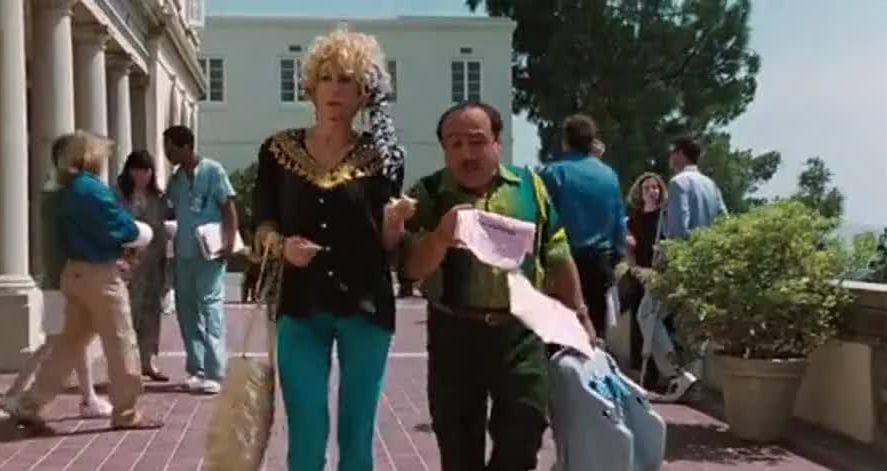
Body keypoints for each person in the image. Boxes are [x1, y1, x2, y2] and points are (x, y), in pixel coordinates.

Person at [251, 29, 412, 471]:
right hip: (300, 305)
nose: (335, 89)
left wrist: (394, 224)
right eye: (326, 78)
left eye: (347, 80)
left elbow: (387, 246)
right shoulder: (277, 150)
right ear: (310, 86)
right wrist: (281, 247)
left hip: (366, 306)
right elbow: (261, 222)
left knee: (357, 436)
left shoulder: (384, 155)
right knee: (307, 433)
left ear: (364, 93)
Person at [401, 101, 593, 471]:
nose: (466, 153)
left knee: (525, 430)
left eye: (476, 141)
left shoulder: (530, 187)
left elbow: (557, 252)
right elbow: (410, 267)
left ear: (497, 143)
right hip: (453, 333)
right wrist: (440, 238)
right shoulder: (428, 194)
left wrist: (580, 315)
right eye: (455, 144)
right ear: (444, 149)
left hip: (521, 332)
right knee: (458, 446)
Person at [0, 130, 162, 431]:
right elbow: (124, 227)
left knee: (67, 346)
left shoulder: (63, 190)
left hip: (72, 273)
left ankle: (30, 403)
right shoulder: (92, 189)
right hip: (100, 274)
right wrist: (136, 237)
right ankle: (126, 412)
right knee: (121, 342)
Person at [1, 134, 112, 419]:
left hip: (62, 278)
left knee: (75, 338)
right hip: (61, 279)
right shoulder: (62, 196)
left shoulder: (55, 194)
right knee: (56, 340)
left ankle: (88, 397)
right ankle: (14, 394)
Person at [164, 125, 238, 395]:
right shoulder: (176, 180)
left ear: (186, 147)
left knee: (210, 307)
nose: (167, 154)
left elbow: (228, 207)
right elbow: (168, 207)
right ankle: (195, 369)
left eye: (171, 148)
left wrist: (229, 241)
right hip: (184, 252)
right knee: (186, 311)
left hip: (209, 252)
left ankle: (215, 370)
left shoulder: (213, 171)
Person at [538, 114, 627, 339]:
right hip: (600, 263)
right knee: (595, 336)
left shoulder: (553, 173)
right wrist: (617, 256)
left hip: (562, 264)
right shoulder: (609, 175)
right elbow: (619, 222)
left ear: (565, 140)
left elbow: (540, 219)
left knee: (559, 338)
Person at [653, 136, 727, 403]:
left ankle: (675, 373)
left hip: (681, 265)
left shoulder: (678, 183)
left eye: (673, 152)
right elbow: (724, 222)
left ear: (681, 154)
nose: (670, 157)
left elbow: (679, 229)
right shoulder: (711, 185)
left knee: (648, 314)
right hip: (705, 266)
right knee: (695, 326)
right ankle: (692, 382)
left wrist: (667, 258)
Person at [117, 150, 170, 382]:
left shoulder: (158, 198)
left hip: (153, 263)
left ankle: (149, 361)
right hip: (128, 263)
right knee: (128, 314)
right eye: (137, 170)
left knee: (151, 312)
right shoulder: (119, 196)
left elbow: (164, 226)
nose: (142, 175)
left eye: (146, 170)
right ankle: (129, 364)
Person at [624, 172, 668, 384]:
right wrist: (635, 269)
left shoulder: (664, 219)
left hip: (657, 275)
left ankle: (659, 372)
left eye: (656, 187)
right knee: (638, 324)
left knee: (654, 322)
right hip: (639, 275)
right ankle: (643, 374)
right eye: (647, 188)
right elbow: (629, 251)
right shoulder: (634, 220)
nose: (652, 191)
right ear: (640, 193)